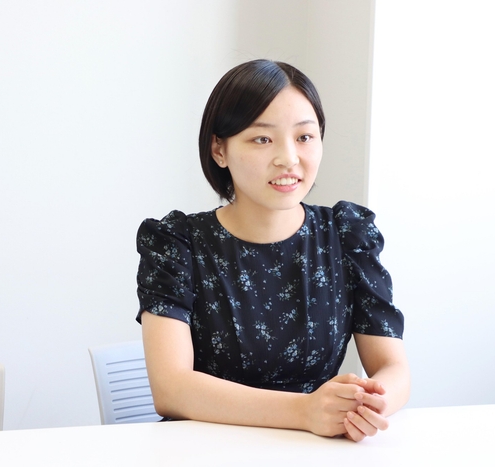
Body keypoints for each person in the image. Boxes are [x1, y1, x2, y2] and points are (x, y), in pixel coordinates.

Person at [136, 59, 409, 442]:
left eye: (304, 137)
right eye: (262, 139)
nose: (289, 158)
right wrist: (305, 411)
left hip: (315, 450)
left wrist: (367, 404)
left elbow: (394, 370)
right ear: (219, 149)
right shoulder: (176, 243)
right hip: (204, 450)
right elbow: (171, 389)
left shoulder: (348, 235)